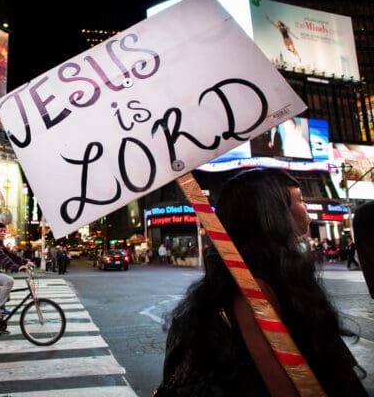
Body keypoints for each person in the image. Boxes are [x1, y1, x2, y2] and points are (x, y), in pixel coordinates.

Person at [155, 168, 367, 396]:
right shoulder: (253, 291)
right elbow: (282, 386)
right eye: (299, 199)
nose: (307, 210)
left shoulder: (281, 272)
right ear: (275, 212)